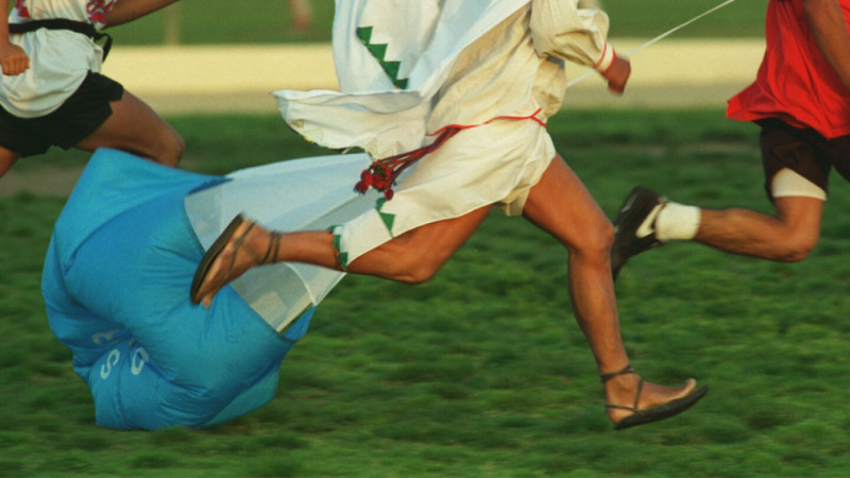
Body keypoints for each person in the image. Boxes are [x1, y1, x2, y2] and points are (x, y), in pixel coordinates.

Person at [191, 0, 708, 430]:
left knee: (593, 238)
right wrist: (607, 59)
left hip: (508, 120)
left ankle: (623, 388)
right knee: (415, 262)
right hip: (492, 131)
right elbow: (553, 24)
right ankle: (263, 245)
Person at [611, 0, 850, 277]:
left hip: (796, 104)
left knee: (794, 238)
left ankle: (658, 220)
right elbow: (820, 9)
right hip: (819, 103)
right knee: (794, 236)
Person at [0, 0, 185, 180]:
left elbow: (98, 15)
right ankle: (103, 202)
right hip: (56, 70)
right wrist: (2, 44)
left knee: (161, 149)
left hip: (20, 74)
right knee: (164, 147)